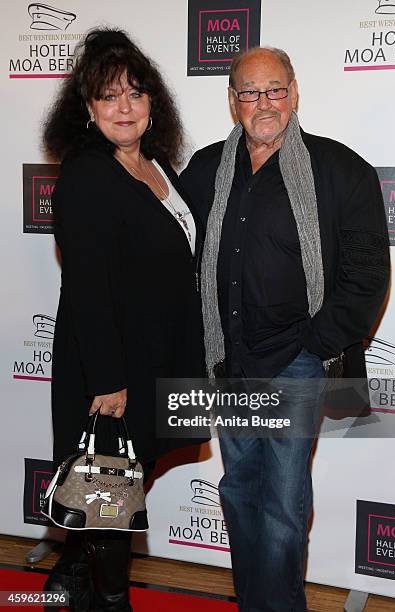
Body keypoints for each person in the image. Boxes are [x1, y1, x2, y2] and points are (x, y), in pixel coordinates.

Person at [180, 47, 390, 611]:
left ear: (294, 94)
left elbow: (368, 272)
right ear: (232, 101)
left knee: (282, 506)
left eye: (275, 90)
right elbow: (168, 242)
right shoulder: (205, 171)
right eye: (249, 92)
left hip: (293, 365)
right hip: (229, 362)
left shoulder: (340, 170)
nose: (263, 103)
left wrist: (315, 346)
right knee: (239, 492)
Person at [43, 28, 205, 611]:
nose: (125, 107)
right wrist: (109, 379)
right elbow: (85, 284)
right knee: (108, 492)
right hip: (110, 369)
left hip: (157, 356)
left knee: (122, 480)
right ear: (85, 109)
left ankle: (73, 578)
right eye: (109, 96)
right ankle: (112, 600)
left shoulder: (156, 165)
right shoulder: (88, 174)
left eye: (136, 94)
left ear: (152, 103)